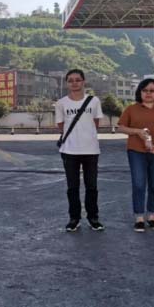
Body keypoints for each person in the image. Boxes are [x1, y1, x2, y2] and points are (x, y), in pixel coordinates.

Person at [116, 79, 154, 233]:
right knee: (139, 184)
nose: (148, 93)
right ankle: (139, 218)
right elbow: (120, 127)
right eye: (145, 90)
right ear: (140, 92)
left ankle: (152, 216)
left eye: (152, 90)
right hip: (136, 151)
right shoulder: (131, 109)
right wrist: (137, 132)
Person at [55, 69, 104, 232]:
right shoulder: (61, 103)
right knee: (72, 187)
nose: (74, 83)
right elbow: (61, 126)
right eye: (70, 80)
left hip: (91, 150)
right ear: (67, 83)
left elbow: (95, 123)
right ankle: (74, 218)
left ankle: (93, 217)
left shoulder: (94, 101)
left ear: (83, 81)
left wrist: (86, 135)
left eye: (77, 79)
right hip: (69, 150)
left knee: (92, 186)